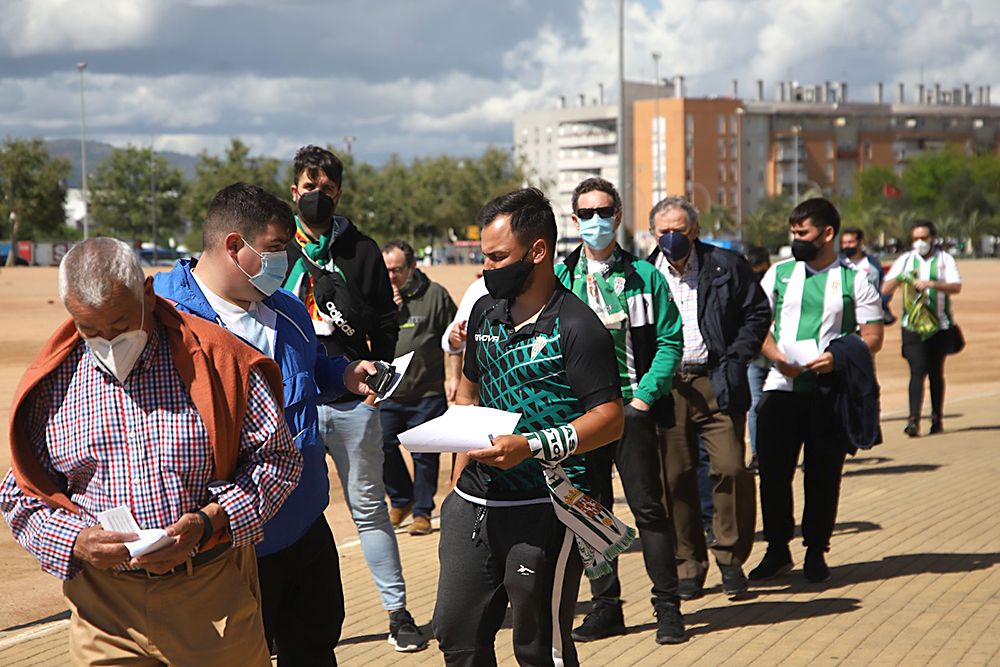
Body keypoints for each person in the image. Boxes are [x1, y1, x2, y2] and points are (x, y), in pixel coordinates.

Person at [0, 237, 302, 666]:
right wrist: (77, 542)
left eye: (121, 325)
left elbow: (279, 462)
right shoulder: (51, 384)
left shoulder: (219, 362)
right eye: (90, 331)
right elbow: (20, 496)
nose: (108, 342)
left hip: (209, 596)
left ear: (146, 292)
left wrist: (207, 522)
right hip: (104, 610)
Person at [154, 183, 380, 665]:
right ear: (235, 246)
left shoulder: (289, 310)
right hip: (224, 539)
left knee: (315, 646)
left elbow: (310, 369)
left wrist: (342, 374)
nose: (285, 262)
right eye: (276, 250)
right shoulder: (163, 317)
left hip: (302, 524)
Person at [433, 188, 628, 666]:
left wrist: (532, 445)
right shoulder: (483, 312)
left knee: (539, 647)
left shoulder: (579, 326)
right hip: (475, 501)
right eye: (485, 257)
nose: (487, 269)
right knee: (456, 634)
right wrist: (458, 484)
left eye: (498, 257)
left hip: (548, 506)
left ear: (537, 251)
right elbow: (468, 394)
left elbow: (610, 419)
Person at [281, 145, 425, 652]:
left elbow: (387, 324)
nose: (314, 197)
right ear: (293, 191)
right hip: (292, 403)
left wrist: (378, 384)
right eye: (306, 189)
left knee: (369, 510)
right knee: (286, 510)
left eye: (324, 190)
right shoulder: (277, 248)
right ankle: (281, 620)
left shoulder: (361, 250)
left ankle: (398, 612)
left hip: (351, 404)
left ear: (337, 193)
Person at [553, 177, 686, 644]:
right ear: (574, 220)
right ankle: (606, 606)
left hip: (630, 410)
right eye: (585, 214)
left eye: (603, 211)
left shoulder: (646, 277)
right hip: (580, 418)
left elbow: (671, 340)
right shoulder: (559, 279)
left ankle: (668, 606)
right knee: (591, 511)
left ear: (619, 214)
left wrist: (644, 399)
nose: (595, 221)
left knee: (649, 509)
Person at [750, 198, 885, 584]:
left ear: (828, 234)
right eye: (793, 233)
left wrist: (836, 358)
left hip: (830, 392)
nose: (796, 240)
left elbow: (873, 336)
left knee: (824, 475)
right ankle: (777, 550)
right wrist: (775, 355)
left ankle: (815, 551)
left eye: (803, 233)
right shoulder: (777, 274)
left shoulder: (855, 279)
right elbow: (759, 324)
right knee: (773, 474)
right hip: (780, 385)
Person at [648, 196, 769, 600]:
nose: (671, 238)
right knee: (675, 478)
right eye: (663, 231)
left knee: (731, 468)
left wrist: (736, 358)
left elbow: (757, 313)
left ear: (694, 230)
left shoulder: (726, 265)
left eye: (678, 231)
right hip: (668, 388)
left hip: (717, 381)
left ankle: (731, 559)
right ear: (652, 234)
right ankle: (688, 565)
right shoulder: (643, 274)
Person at [380, 239, 458, 535]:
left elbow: (455, 339)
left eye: (397, 270)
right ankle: (401, 499)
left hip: (426, 392)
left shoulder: (435, 296)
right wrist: (386, 309)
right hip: (388, 391)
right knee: (381, 445)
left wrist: (454, 377)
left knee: (424, 455)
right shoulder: (378, 296)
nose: (391, 276)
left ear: (412, 267)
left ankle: (423, 512)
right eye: (385, 270)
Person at [882, 220, 962, 436]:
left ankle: (937, 418)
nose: (919, 242)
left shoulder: (945, 259)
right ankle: (913, 420)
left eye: (924, 238)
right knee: (917, 370)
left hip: (940, 326)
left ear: (933, 238)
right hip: (913, 326)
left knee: (936, 372)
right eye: (916, 238)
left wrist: (932, 284)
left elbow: (956, 287)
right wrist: (900, 279)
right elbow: (886, 287)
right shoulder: (905, 260)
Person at [744, 245, 772, 473]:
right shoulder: (745, 287)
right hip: (755, 358)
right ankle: (757, 455)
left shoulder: (776, 285)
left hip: (780, 358)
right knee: (754, 406)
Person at [840, 227, 895, 324]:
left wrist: (880, 305)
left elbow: (884, 287)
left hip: (868, 317)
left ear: (860, 242)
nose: (846, 246)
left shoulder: (873, 264)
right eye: (844, 243)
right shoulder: (838, 264)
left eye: (850, 242)